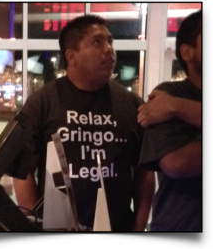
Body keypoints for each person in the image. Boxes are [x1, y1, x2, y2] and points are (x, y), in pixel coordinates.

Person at [11, 15, 154, 231]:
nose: (108, 49)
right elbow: (22, 172)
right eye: (97, 42)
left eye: (110, 41)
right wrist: (35, 224)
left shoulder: (131, 103)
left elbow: (145, 173)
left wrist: (139, 228)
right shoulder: (43, 102)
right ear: (72, 56)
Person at [137, 10, 201, 231]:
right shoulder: (167, 94)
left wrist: (178, 107)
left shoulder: (171, 103)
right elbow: (177, 164)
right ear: (187, 52)